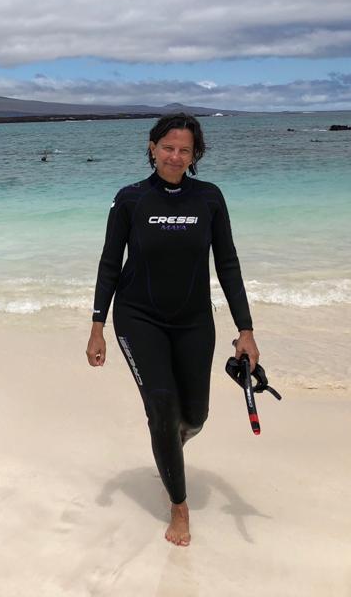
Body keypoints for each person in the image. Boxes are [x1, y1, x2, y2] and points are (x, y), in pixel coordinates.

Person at [86, 112, 259, 547]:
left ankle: (168, 444)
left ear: (195, 154)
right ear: (152, 147)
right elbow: (110, 263)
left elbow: (229, 264)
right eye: (168, 147)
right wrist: (97, 324)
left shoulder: (210, 199)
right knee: (162, 409)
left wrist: (246, 329)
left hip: (194, 320)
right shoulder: (130, 199)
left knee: (194, 416)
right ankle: (178, 508)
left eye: (184, 149)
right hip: (137, 317)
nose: (175, 156)